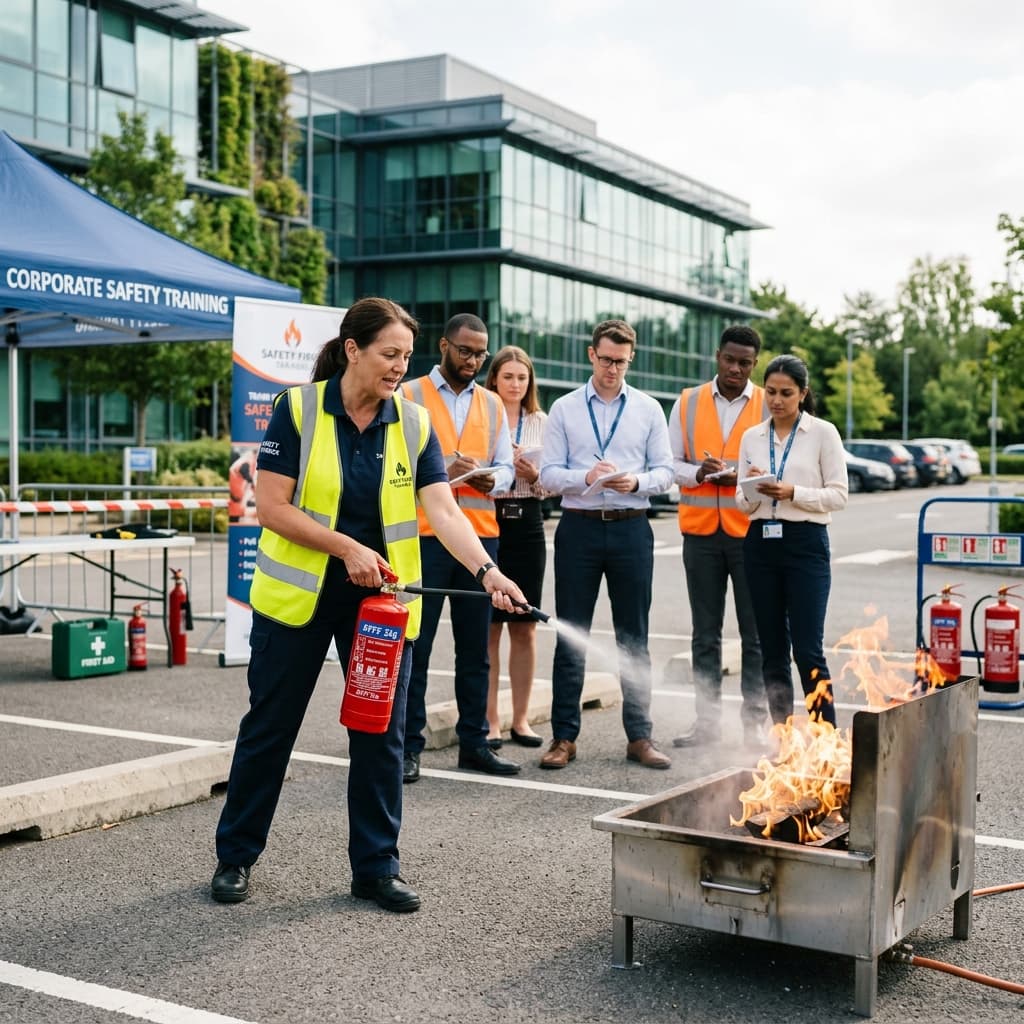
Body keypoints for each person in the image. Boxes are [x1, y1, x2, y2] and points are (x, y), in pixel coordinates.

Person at [211, 298, 527, 913]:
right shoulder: (298, 409)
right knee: (270, 730)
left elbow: (442, 510)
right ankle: (236, 856)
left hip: (380, 604)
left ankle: (377, 868)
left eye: (406, 356)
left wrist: (488, 571)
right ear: (353, 350)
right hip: (300, 597)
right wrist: (345, 547)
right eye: (389, 354)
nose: (398, 367)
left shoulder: (412, 423)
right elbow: (271, 506)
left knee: (379, 734)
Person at [538, 319, 674, 770]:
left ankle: (640, 736)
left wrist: (635, 480)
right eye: (605, 359)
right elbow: (548, 474)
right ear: (590, 354)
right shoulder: (564, 408)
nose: (612, 368)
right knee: (570, 636)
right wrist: (586, 477)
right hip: (578, 527)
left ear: (630, 358)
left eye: (621, 361)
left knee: (633, 635)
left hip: (631, 526)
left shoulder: (650, 409)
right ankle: (563, 738)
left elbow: (666, 473)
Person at [400, 313, 521, 783]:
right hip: (424, 537)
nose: (474, 360)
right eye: (466, 351)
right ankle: (409, 747)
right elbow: (390, 463)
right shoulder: (408, 394)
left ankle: (474, 743)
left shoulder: (492, 404)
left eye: (481, 353)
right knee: (418, 645)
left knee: (476, 651)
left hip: (479, 538)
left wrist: (493, 475)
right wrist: (435, 475)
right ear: (444, 346)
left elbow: (507, 468)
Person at [736, 354, 848, 728]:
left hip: (806, 544)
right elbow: (741, 502)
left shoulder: (823, 433)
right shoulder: (752, 437)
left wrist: (792, 492)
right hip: (760, 545)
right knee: (771, 651)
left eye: (786, 393)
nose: (777, 400)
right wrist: (753, 486)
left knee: (807, 650)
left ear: (803, 393)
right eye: (770, 392)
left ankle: (825, 737)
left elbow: (839, 495)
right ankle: (783, 737)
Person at [669, 325, 768, 749]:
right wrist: (697, 473)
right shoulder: (688, 402)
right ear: (717, 355)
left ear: (755, 363)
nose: (735, 368)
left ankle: (754, 725)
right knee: (704, 635)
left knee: (757, 635)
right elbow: (668, 462)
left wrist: (740, 477)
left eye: (745, 362)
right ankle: (706, 723)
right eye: (729, 359)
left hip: (751, 535)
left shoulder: (768, 403)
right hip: (701, 536)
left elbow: (778, 466)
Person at [483, 346, 548, 749]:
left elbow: (552, 484)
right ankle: (489, 721)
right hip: (488, 520)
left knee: (524, 627)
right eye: (508, 377)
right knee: (488, 629)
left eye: (521, 378)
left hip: (528, 522)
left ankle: (520, 720)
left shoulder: (542, 421)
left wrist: (533, 473)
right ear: (495, 380)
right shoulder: (482, 415)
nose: (515, 384)